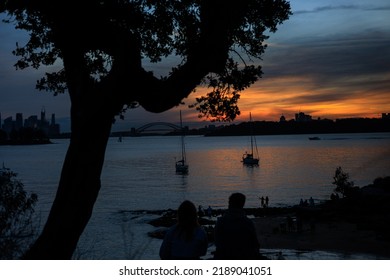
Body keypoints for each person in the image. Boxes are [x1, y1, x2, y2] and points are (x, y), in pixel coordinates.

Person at [214, 193, 260, 259]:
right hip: (244, 257)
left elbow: (217, 242)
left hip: (224, 257)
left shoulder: (221, 221)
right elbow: (255, 244)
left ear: (229, 203)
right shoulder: (248, 222)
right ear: (243, 204)